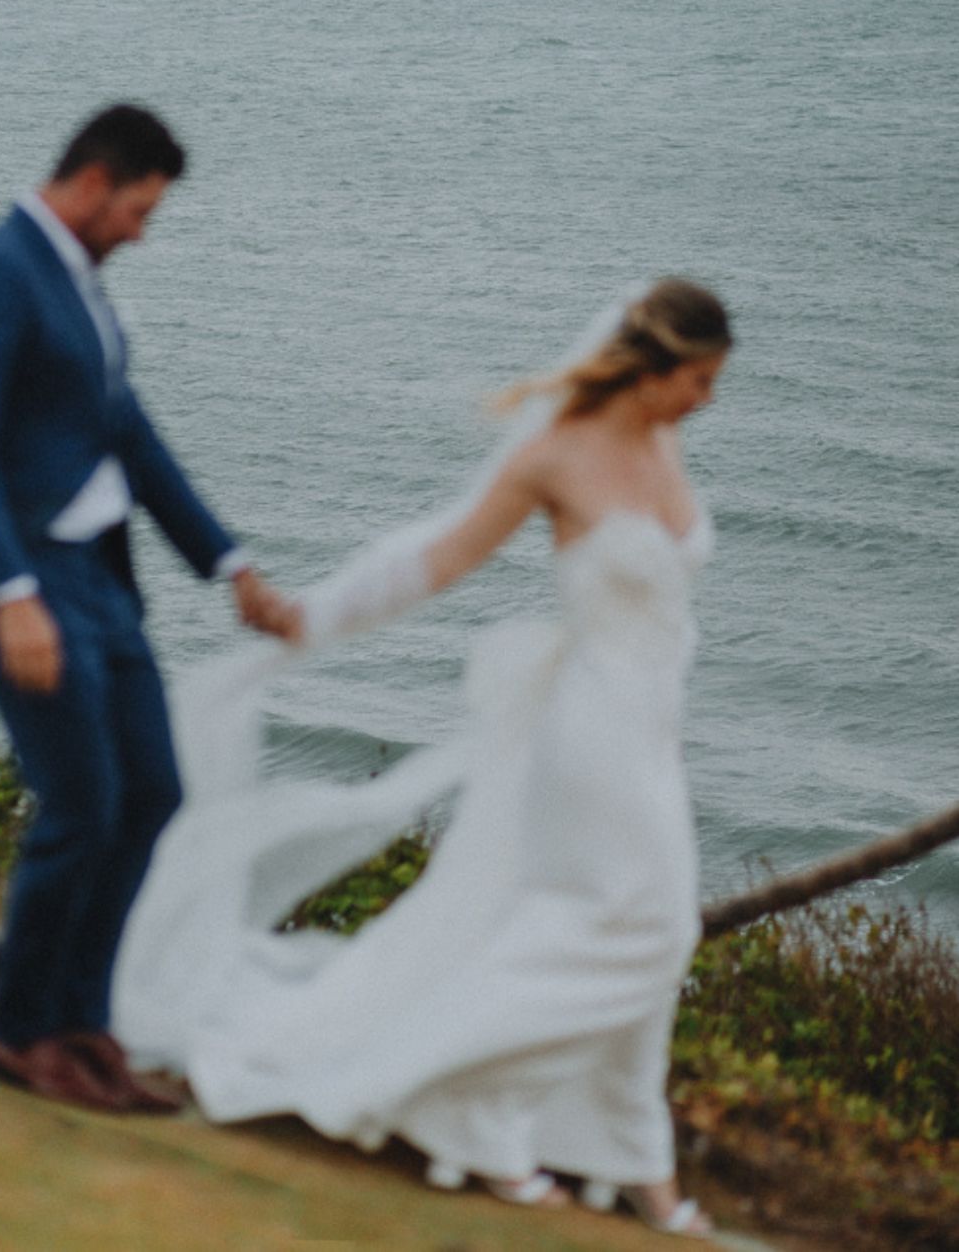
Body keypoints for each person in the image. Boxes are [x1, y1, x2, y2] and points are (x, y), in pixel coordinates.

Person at [115, 278, 730, 1234]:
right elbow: (431, 558)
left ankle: (638, 1172)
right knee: (640, 936)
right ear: (654, 371)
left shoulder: (662, 439)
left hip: (652, 731)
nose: (707, 400)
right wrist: (308, 619)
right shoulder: (553, 456)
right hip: (590, 734)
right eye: (698, 379)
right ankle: (477, 1116)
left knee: (643, 942)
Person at [0, 103, 293, 1112]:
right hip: (21, 582)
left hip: (100, 586)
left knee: (152, 792)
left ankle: (84, 1025)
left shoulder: (81, 286)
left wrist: (230, 563)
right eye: (139, 209)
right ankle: (19, 1033)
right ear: (92, 182)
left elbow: (129, 433)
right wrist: (11, 593)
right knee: (79, 805)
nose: (140, 230)